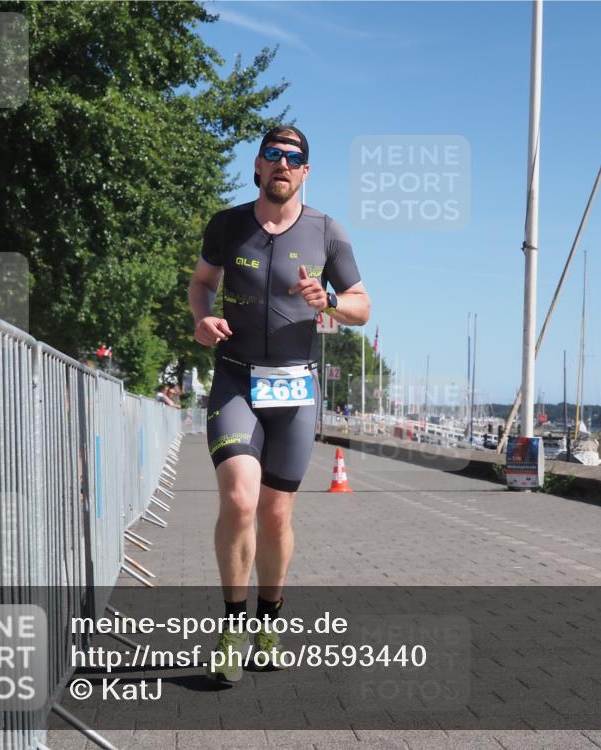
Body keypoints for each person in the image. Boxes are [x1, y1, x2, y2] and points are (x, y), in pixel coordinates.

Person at [189, 125, 370, 683]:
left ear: (305, 172)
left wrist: (333, 302)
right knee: (240, 500)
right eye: (274, 155)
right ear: (259, 166)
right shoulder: (227, 225)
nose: (283, 165)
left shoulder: (327, 233)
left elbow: (362, 306)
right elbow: (202, 283)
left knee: (275, 513)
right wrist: (202, 318)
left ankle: (269, 619)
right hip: (236, 381)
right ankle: (232, 624)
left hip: (293, 389)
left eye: (294, 158)